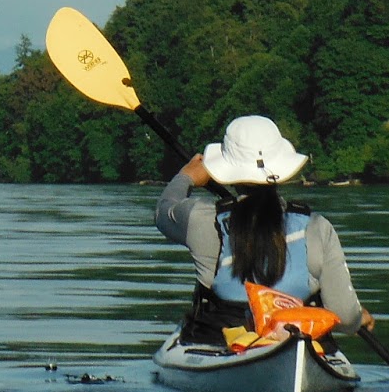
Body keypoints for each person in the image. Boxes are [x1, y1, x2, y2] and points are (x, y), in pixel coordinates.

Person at [154, 114, 374, 346]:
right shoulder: (317, 227)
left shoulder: (201, 219)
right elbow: (345, 316)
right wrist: (357, 318)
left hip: (221, 338)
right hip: (300, 339)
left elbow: (163, 211)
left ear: (229, 171)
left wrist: (186, 176)